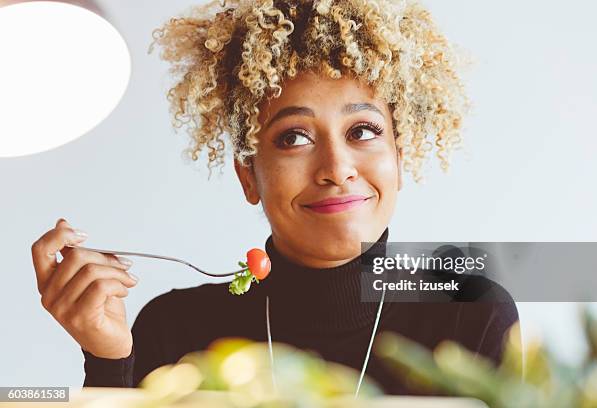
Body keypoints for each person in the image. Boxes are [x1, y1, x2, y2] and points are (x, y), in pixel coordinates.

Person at [30, 0, 519, 395]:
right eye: (294, 138)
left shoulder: (468, 316)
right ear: (248, 176)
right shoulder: (174, 330)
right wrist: (110, 361)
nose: (336, 169)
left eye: (363, 130)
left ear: (400, 156)